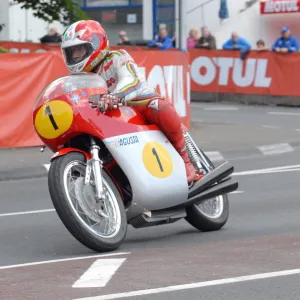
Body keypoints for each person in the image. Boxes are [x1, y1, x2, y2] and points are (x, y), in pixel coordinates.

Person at [60, 20, 200, 183]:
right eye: (70, 52)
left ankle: (186, 161)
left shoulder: (118, 57)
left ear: (96, 44)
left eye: (79, 49)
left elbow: (132, 81)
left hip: (137, 106)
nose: (75, 56)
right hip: (110, 120)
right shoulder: (77, 80)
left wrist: (116, 96)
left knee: (160, 107)